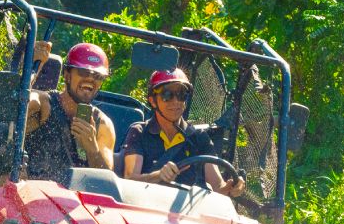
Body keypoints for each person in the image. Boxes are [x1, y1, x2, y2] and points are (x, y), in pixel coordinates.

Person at [121, 69, 245, 197]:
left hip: (186, 213)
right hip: (145, 208)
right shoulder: (139, 132)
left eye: (181, 95)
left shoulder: (199, 137)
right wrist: (158, 176)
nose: (175, 101)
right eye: (167, 95)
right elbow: (129, 180)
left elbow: (218, 187)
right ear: (152, 101)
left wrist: (233, 187)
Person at [22, 42, 117, 182]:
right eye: (83, 72)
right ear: (67, 75)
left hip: (74, 202)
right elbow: (15, 108)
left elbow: (107, 182)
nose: (90, 79)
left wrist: (92, 149)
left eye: (97, 76)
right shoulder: (44, 104)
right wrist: (31, 67)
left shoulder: (103, 125)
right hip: (30, 196)